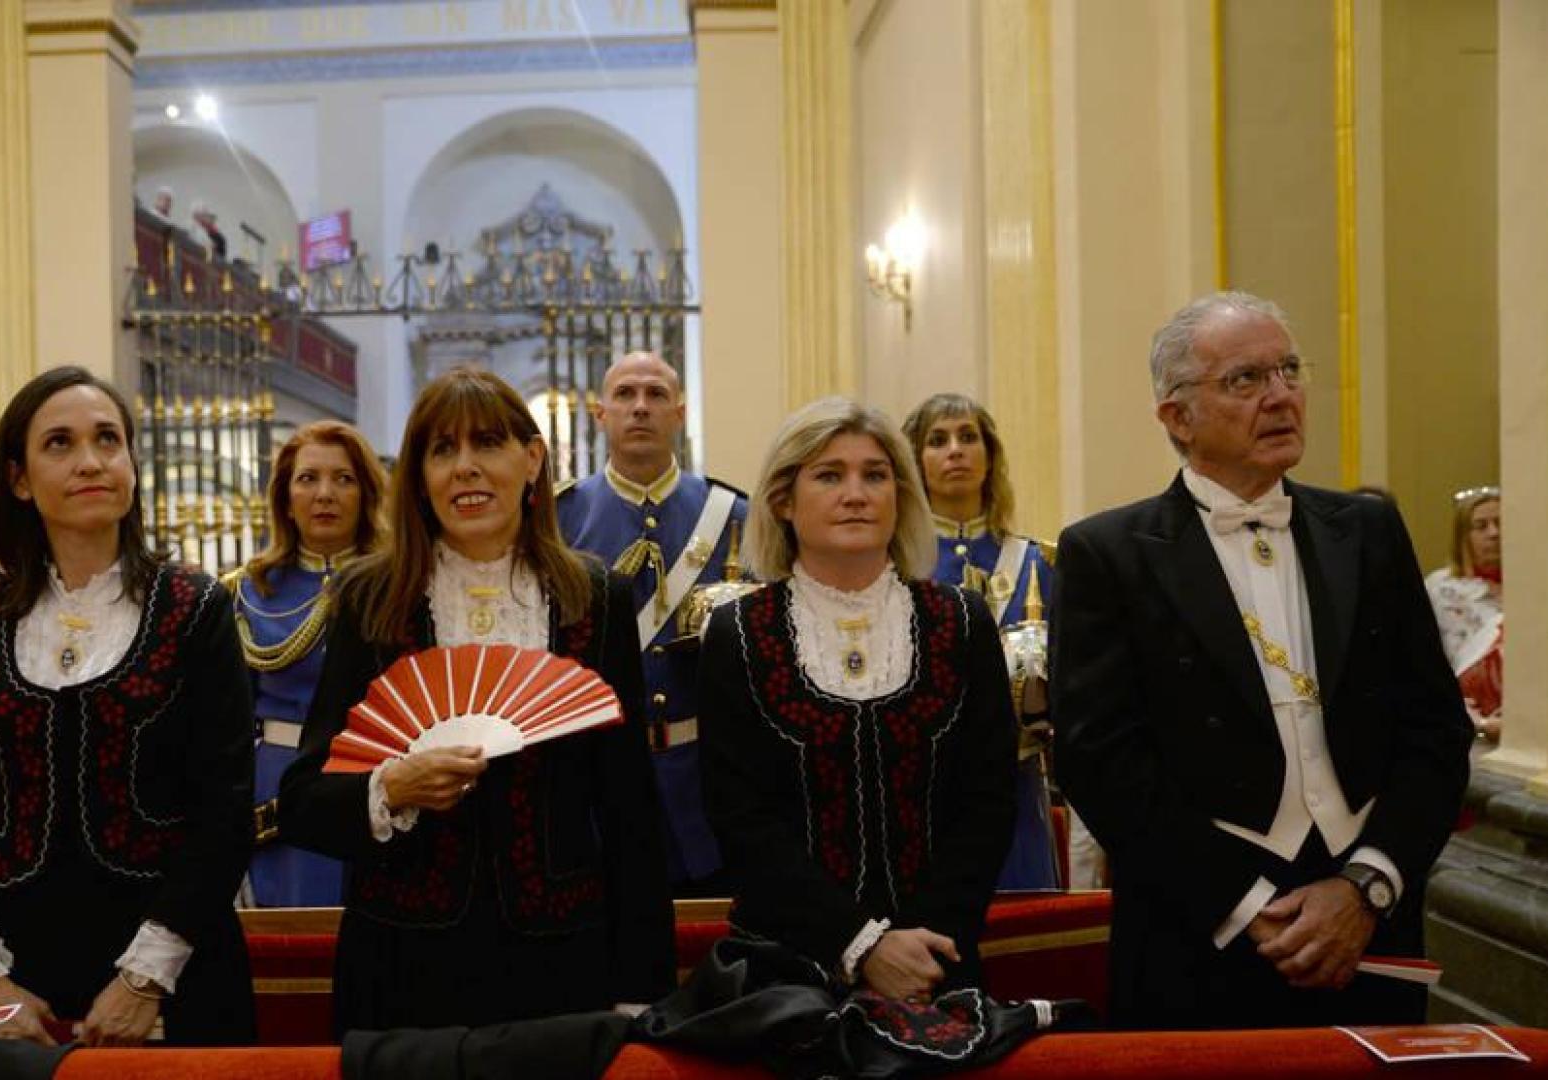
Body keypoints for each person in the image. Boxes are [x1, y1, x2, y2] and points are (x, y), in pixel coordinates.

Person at [1052, 292, 1473, 1029]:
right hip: (1200, 931)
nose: (1280, 395)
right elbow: (1100, 760)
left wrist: (1368, 884)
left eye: (1287, 370)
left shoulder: (1369, 532)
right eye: (1245, 380)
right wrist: (1244, 906)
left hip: (1370, 918)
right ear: (1176, 418)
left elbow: (1436, 732)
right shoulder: (1108, 554)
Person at [280, 366, 674, 1035]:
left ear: (531, 459)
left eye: (487, 444)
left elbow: (630, 811)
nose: (465, 469)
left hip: (563, 961)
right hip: (403, 961)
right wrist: (391, 787)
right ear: (419, 477)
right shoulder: (369, 598)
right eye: (442, 450)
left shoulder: (595, 598)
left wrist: (639, 990)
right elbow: (303, 802)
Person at [0, 366, 255, 1047]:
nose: (91, 461)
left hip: (171, 968)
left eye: (108, 440)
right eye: (59, 444)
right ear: (19, 480)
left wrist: (145, 979)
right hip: (2, 970)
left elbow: (223, 810)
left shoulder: (195, 607)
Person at [696, 397, 1018, 1003]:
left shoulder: (962, 621)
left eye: (874, 475)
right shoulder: (738, 632)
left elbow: (988, 801)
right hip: (787, 972)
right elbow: (742, 821)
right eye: (829, 475)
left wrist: (920, 950)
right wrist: (862, 948)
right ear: (783, 501)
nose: (856, 493)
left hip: (938, 964)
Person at [556, 351, 748, 892]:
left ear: (680, 413)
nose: (640, 407)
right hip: (598, 778)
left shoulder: (732, 515)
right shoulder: (559, 518)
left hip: (703, 778)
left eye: (656, 395)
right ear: (601, 413)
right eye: (625, 395)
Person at [901, 394, 1062, 892]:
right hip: (920, 790)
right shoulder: (895, 566)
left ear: (989, 455)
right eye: (938, 440)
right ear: (914, 460)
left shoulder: (1041, 562)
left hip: (1016, 786)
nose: (955, 451)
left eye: (968, 437)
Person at [227, 419, 387, 907]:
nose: (325, 494)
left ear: (365, 495)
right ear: (285, 499)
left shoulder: (397, 585)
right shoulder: (247, 591)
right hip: (278, 789)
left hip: (376, 782)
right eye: (308, 478)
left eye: (344, 479)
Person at [1424, 487, 1503, 740]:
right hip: (1463, 721)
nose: (1494, 533)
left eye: (1501, 523)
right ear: (1462, 536)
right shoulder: (1441, 588)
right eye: (1481, 526)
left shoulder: (1535, 586)